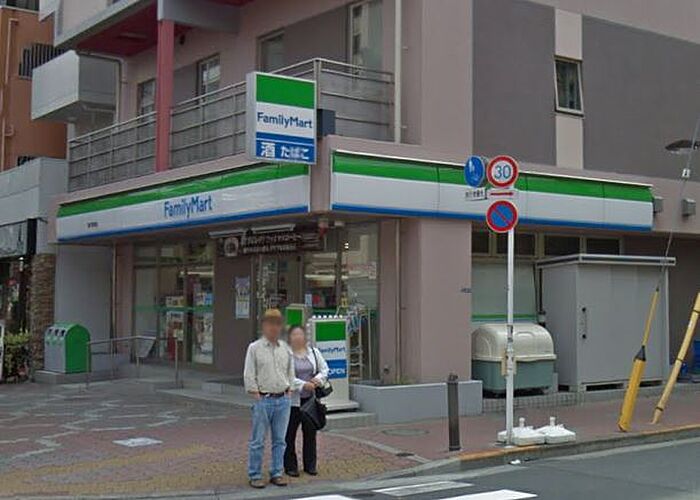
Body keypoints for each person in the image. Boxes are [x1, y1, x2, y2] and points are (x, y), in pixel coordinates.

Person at [243, 308, 294, 489]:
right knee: (258, 440)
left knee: (280, 440)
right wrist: (256, 395)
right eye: (271, 324)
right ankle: (255, 474)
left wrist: (289, 390)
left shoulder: (285, 349)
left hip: (283, 399)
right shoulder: (254, 348)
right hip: (263, 399)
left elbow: (290, 372)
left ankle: (277, 473)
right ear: (264, 326)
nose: (274, 328)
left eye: (278, 324)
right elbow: (249, 374)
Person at [284, 325, 329, 477]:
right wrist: (303, 385)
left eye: (300, 334)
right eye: (294, 335)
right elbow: (286, 377)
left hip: (310, 401)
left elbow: (324, 369)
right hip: (292, 402)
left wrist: (317, 380)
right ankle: (290, 466)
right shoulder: (286, 355)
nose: (298, 337)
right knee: (289, 435)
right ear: (289, 338)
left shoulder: (313, 352)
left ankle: (310, 465)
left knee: (310, 433)